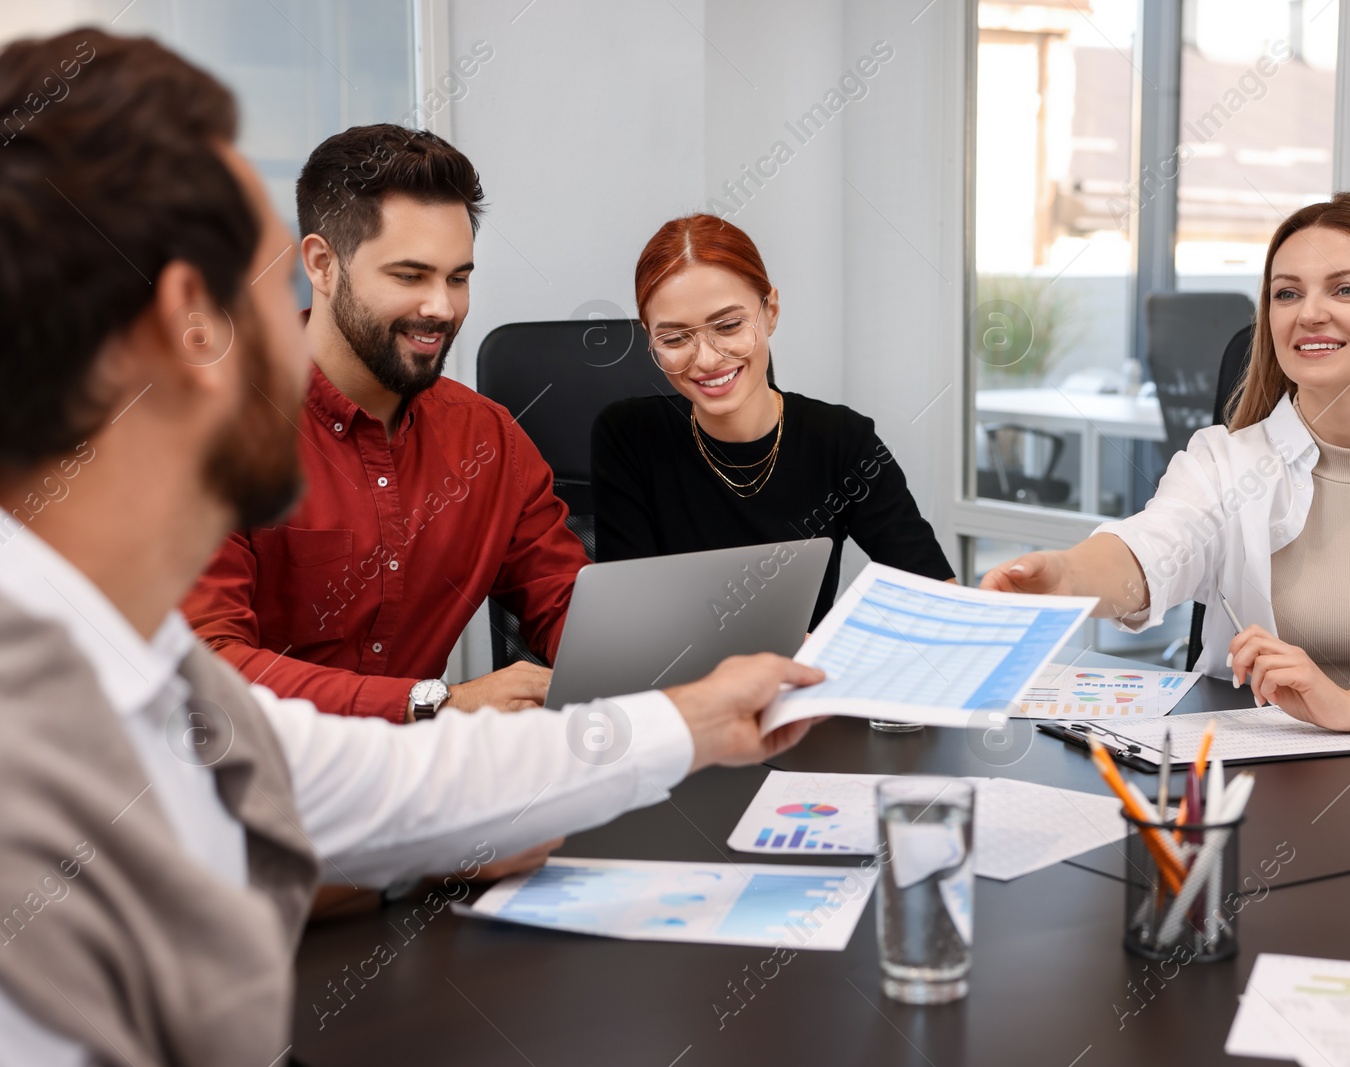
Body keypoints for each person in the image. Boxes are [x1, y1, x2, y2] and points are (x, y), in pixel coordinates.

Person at [0, 30, 821, 1065]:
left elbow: (351, 781)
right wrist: (435, 749)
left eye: (457, 275)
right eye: (269, 295)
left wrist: (688, 712)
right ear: (189, 323)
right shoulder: (61, 736)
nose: (440, 304)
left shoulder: (111, 651)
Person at [983, 192, 1350, 737]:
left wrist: (1349, 707)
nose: (1309, 313)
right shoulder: (1226, 462)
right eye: (1286, 293)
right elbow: (1153, 547)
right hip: (1254, 781)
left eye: (1346, 290)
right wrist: (1065, 579)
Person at [180, 122, 589, 722]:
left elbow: (569, 609)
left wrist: (684, 668)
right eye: (410, 276)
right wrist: (432, 703)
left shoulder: (489, 440)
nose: (442, 308)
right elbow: (208, 667)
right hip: (252, 788)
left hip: (419, 789)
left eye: (458, 277)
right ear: (322, 265)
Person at [592, 214, 955, 629]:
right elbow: (627, 628)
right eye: (674, 339)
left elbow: (937, 597)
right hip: (681, 690)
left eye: (728, 326)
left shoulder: (842, 441)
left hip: (800, 687)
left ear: (771, 312)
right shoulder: (629, 437)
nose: (707, 360)